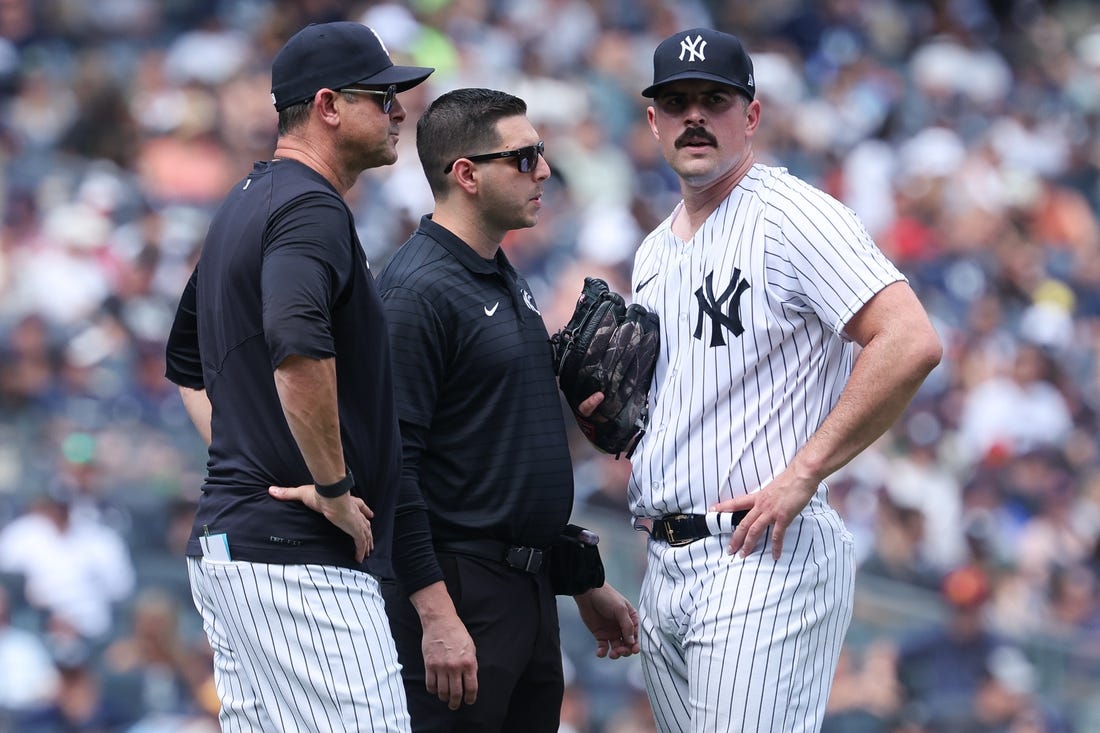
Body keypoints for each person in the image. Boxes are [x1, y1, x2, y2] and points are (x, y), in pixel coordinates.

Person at [624, 28, 943, 732]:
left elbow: (910, 339)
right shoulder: (652, 251)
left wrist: (803, 474)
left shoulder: (791, 216)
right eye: (676, 102)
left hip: (763, 552)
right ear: (654, 121)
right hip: (667, 560)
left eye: (715, 99)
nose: (695, 116)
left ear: (753, 115)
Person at [164, 21, 433, 732]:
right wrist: (335, 486)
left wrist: (247, 458)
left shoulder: (248, 200)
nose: (399, 111)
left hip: (242, 549)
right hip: (294, 558)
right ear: (328, 106)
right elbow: (297, 344)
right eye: (382, 96)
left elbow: (186, 361)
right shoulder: (310, 207)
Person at [374, 87, 640, 732]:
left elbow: (508, 460)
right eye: (523, 158)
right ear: (465, 174)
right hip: (458, 594)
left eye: (541, 153)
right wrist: (435, 615)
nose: (544, 170)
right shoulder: (416, 291)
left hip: (526, 591)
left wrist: (582, 581)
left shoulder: (497, 273)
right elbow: (390, 470)